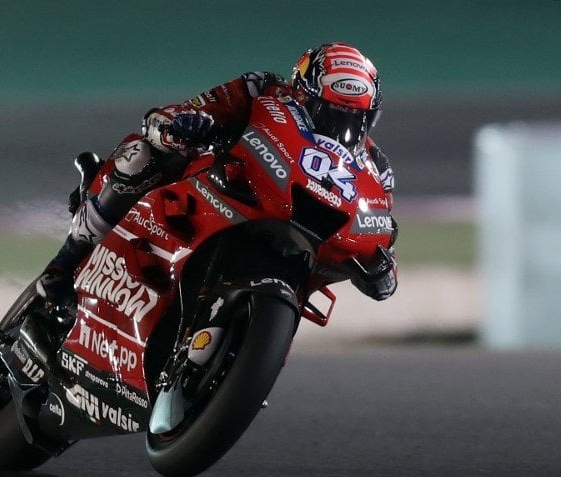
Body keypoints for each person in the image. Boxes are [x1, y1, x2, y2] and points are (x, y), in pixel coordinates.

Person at [36, 42, 397, 304]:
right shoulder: (263, 89)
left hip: (293, 234)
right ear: (301, 93)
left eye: (354, 120)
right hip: (224, 185)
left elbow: (382, 232)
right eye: (328, 113)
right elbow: (170, 115)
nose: (339, 127)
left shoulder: (375, 166)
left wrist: (382, 267)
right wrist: (185, 124)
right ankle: (66, 260)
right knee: (140, 155)